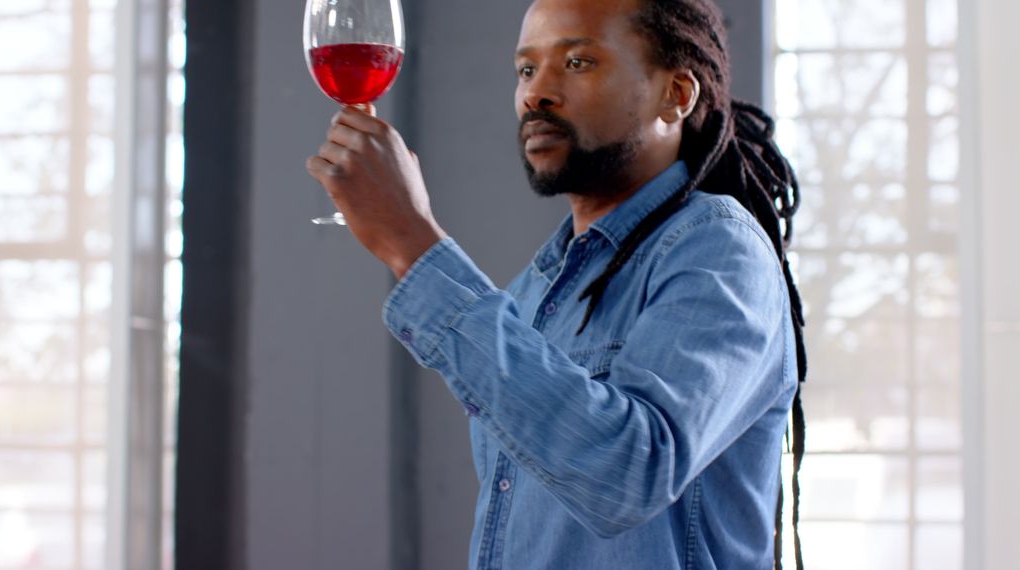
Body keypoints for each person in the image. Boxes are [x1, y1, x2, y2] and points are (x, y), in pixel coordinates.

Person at [306, 0, 808, 567]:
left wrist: (414, 244)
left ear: (676, 94)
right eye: (526, 69)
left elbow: (630, 473)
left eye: (577, 62)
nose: (536, 94)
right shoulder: (533, 288)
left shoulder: (719, 250)